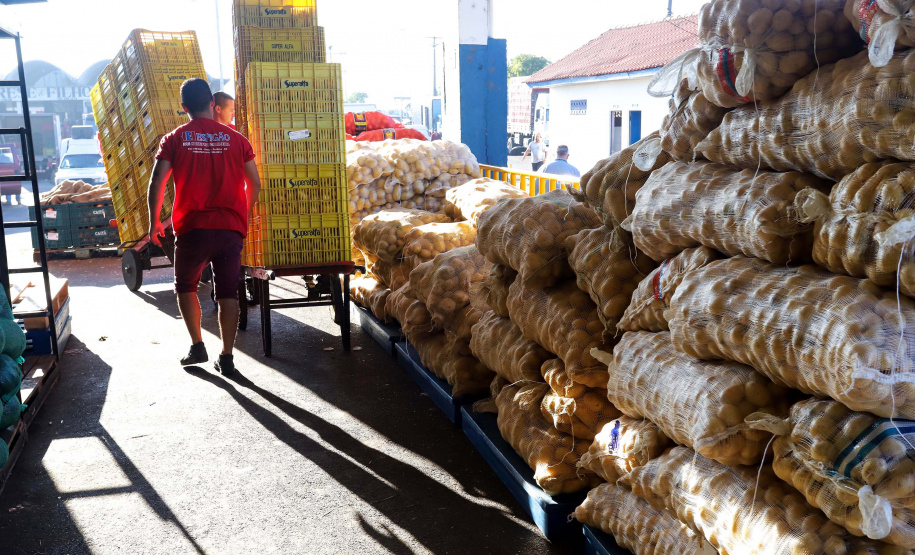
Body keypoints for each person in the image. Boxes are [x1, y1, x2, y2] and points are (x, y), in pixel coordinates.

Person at [147, 78, 262, 375]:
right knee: (227, 293)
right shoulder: (237, 139)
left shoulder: (174, 138)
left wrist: (154, 221)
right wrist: (242, 213)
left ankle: (197, 345)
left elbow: (157, 181)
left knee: (185, 286)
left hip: (192, 229)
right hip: (229, 229)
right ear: (212, 103)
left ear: (184, 107)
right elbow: (254, 182)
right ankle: (227, 356)